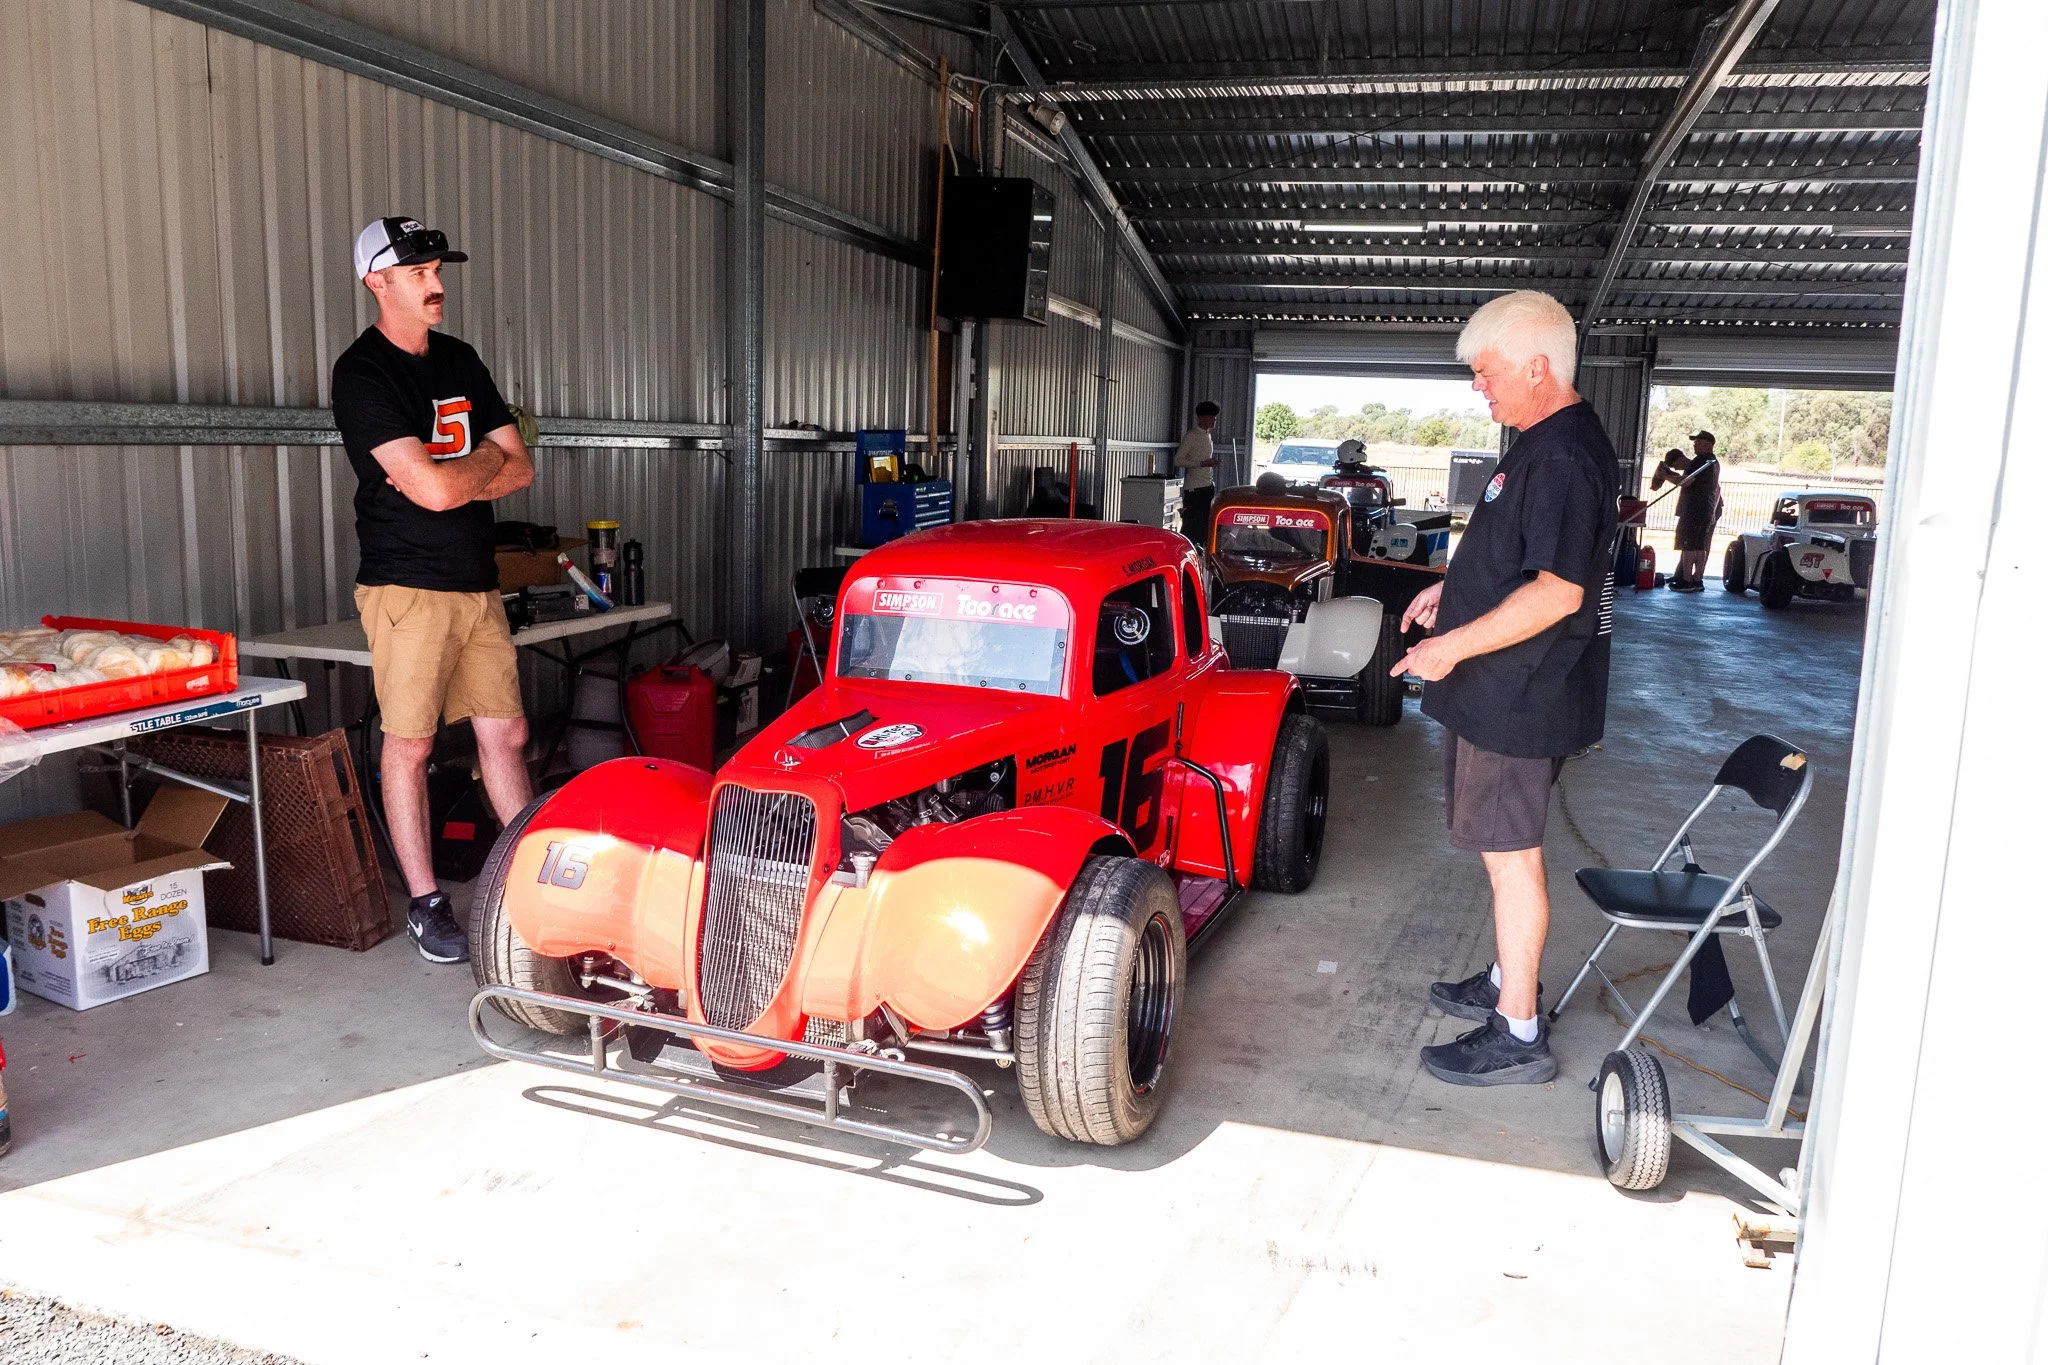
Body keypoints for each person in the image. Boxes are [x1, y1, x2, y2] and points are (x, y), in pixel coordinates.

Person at [1391, 290, 1618, 1086]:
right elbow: (1506, 548)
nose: (1478, 388)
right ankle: (1503, 976)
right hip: (1501, 682)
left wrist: (1450, 644)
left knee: (1512, 857)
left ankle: (1518, 1027)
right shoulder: (1538, 438)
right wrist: (1445, 595)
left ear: (1537, 365)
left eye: (1486, 373)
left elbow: (1558, 591)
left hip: (1520, 693)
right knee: (1499, 851)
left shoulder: (1562, 457)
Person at [332, 217, 536, 964]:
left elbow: (519, 468)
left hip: (475, 582)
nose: (435, 281)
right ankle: (425, 901)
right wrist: (473, 470)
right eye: (418, 272)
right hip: (405, 586)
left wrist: (460, 475)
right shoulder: (362, 374)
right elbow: (441, 487)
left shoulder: (459, 358)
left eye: (437, 268)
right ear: (377, 283)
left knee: (504, 732)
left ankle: (526, 879)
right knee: (410, 743)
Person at [1652, 431, 1722, 592]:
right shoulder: (1712, 462)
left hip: (1695, 510)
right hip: (1705, 509)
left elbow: (1687, 481)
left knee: (1689, 545)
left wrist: (1666, 477)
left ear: (1708, 444)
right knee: (1699, 546)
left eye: (1698, 442)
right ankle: (1696, 579)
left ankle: (1687, 580)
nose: (1695, 445)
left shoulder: (1701, 461)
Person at [1176, 400, 1220, 542]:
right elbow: (1178, 460)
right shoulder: (1192, 435)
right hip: (1195, 489)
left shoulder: (1208, 435)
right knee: (1191, 527)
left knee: (1204, 528)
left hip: (1207, 487)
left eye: (1215, 417)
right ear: (1201, 418)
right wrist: (1202, 463)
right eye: (1211, 417)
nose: (1214, 420)